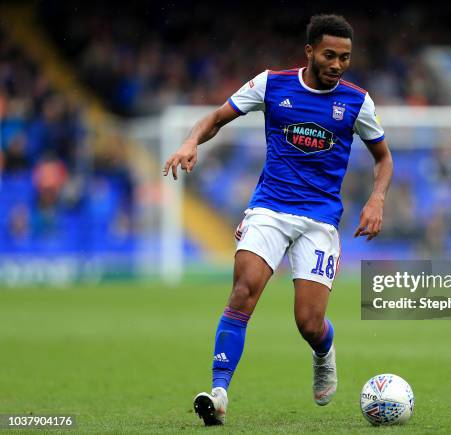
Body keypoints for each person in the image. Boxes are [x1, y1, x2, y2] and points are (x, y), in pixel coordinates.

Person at [163, 14, 393, 426]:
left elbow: (383, 158)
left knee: (308, 322)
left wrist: (376, 199)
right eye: (329, 55)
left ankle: (324, 351)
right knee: (243, 291)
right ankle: (218, 394)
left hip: (320, 220)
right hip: (269, 208)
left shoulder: (358, 101)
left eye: (345, 57)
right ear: (309, 51)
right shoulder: (272, 84)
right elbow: (216, 118)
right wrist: (189, 141)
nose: (337, 64)